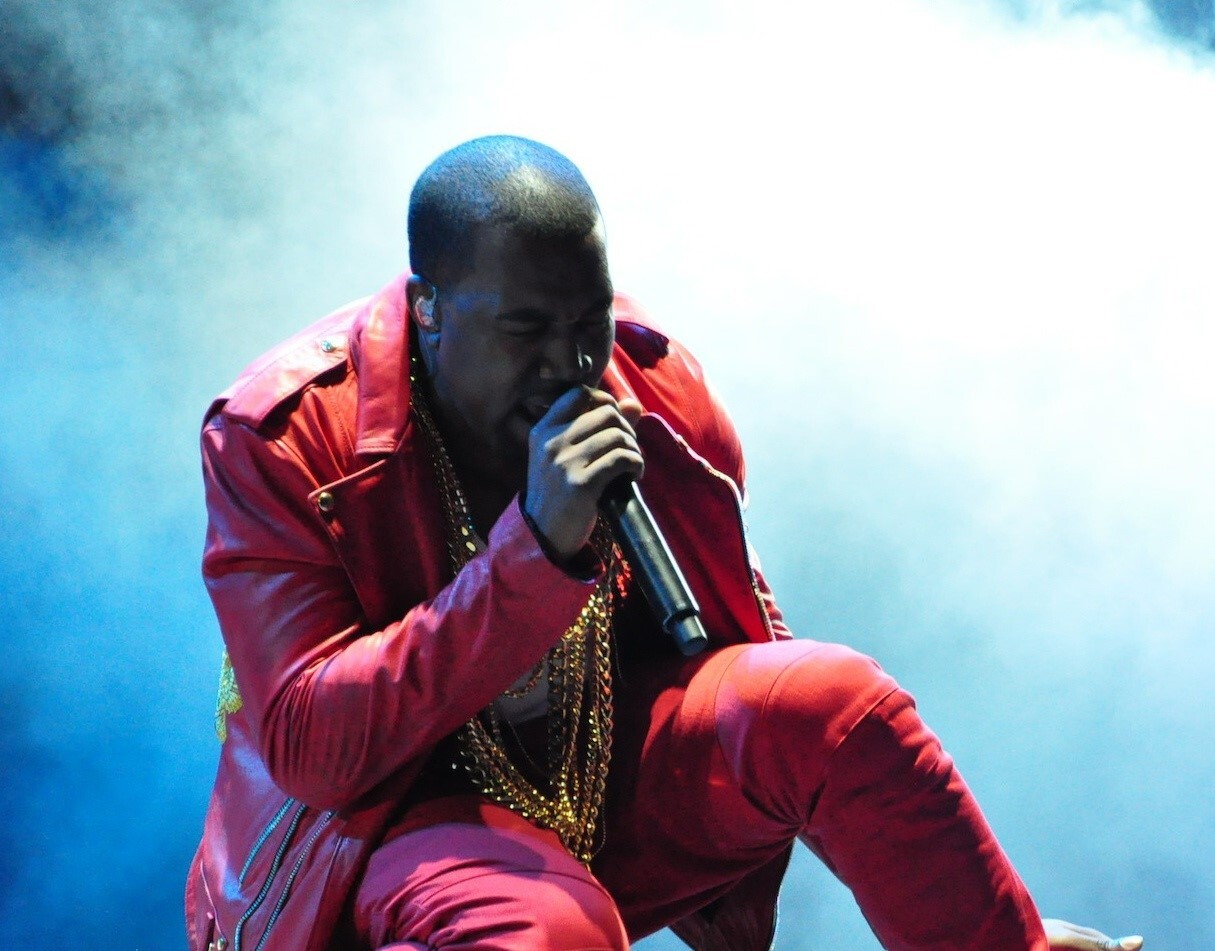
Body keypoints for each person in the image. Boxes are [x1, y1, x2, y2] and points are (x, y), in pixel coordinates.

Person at [185, 135, 1143, 951]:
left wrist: (958, 907)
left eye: (588, 317)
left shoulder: (655, 390)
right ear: (427, 305)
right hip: (384, 826)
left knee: (836, 701)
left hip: (591, 778)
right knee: (539, 924)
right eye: (526, 327)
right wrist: (536, 554)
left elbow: (739, 639)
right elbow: (316, 750)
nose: (570, 361)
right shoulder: (283, 437)